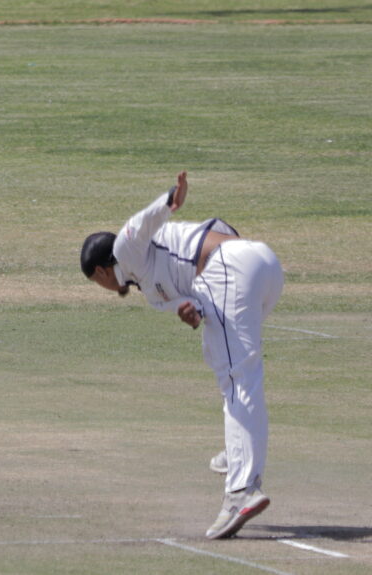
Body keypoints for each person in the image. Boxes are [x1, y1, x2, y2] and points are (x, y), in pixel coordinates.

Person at [80, 171, 283, 539]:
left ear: (100, 271)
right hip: (264, 267)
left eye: (98, 283)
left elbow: (141, 223)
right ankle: (239, 449)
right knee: (222, 360)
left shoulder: (125, 251)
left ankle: (241, 490)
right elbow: (199, 298)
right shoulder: (153, 292)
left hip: (234, 267)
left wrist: (170, 199)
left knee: (238, 378)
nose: (105, 288)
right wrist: (194, 313)